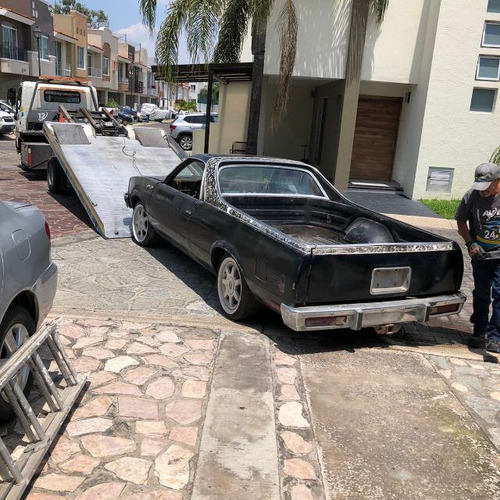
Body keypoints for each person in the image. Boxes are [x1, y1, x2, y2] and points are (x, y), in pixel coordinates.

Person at [455, 163, 500, 353]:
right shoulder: (471, 196)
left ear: (498, 182)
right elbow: (460, 220)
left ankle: (495, 336)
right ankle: (479, 330)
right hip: (480, 255)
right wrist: (470, 243)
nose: (482, 191)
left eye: (487, 186)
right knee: (481, 293)